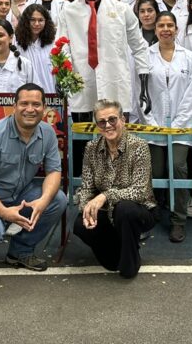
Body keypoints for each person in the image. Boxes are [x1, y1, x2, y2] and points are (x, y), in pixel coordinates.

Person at [0, 84, 69, 276]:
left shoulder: (48, 133)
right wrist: (3, 212)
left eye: (36, 104)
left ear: (44, 108)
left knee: (57, 199)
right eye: (24, 103)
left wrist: (43, 201)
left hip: (18, 194)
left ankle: (20, 252)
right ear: (14, 106)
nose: (30, 109)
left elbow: (53, 171)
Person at [55, 0, 151, 138]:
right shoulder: (68, 11)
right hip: (82, 82)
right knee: (83, 144)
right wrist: (63, 75)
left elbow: (139, 46)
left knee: (115, 143)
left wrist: (144, 82)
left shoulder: (122, 10)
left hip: (114, 81)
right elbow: (61, 45)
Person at [74, 99, 157, 279]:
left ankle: (130, 264)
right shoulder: (91, 148)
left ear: (123, 120)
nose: (108, 125)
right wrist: (86, 209)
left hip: (138, 210)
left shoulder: (139, 146)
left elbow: (140, 191)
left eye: (112, 119)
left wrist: (105, 195)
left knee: (125, 209)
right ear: (97, 126)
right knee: (80, 225)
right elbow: (87, 187)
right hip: (106, 212)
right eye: (102, 122)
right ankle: (120, 249)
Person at [140, 11, 192, 242]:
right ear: (155, 30)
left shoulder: (189, 57)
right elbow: (140, 92)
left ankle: (178, 220)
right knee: (154, 173)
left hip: (180, 126)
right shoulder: (145, 55)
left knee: (178, 168)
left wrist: (176, 125)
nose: (166, 29)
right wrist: (152, 123)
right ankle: (149, 217)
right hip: (153, 126)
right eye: (161, 25)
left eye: (170, 25)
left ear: (176, 29)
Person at [14, 4, 57, 94]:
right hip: (25, 96)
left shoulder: (53, 43)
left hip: (50, 94)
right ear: (26, 21)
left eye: (40, 20)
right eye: (32, 20)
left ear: (46, 22)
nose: (37, 24)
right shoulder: (16, 43)